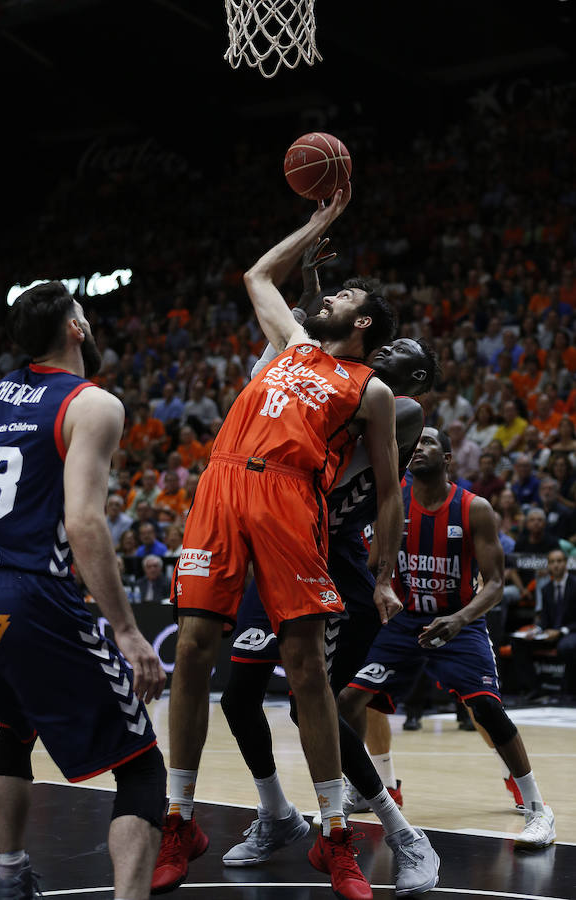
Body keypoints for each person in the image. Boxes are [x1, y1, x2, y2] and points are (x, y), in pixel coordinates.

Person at [152, 191, 438, 900]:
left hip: (289, 498)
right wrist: (318, 224)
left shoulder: (374, 392)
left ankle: (336, 836)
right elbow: (256, 277)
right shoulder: (295, 345)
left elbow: (391, 492)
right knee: (194, 653)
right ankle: (178, 820)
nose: (330, 296)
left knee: (306, 672)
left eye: (344, 294)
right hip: (220, 485)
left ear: (364, 321)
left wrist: (382, 574)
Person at [0, 282, 166, 900]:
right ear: (76, 331)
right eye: (85, 314)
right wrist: (129, 630)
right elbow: (84, 522)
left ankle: (9, 876)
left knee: (14, 727)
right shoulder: (92, 405)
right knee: (141, 766)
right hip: (33, 596)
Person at [220, 337, 438, 877]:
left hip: (332, 563)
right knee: (237, 696)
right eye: (382, 350)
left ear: (413, 381)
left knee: (308, 706)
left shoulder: (400, 408)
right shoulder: (336, 385)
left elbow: (304, 445)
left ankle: (401, 833)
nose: (383, 356)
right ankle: (276, 814)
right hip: (280, 546)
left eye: (398, 357)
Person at [337, 427, 556, 850]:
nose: (417, 448)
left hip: (459, 623)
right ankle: (366, 786)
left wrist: (459, 619)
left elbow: (493, 584)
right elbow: (370, 560)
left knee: (487, 709)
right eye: (413, 443)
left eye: (428, 443)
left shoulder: (475, 509)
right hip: (402, 622)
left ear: (449, 458)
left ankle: (537, 809)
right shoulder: (391, 502)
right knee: (348, 700)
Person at [510, 548, 576, 698]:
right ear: (548, 566)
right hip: (550, 634)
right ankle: (534, 688)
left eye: (559, 561)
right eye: (552, 562)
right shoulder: (546, 589)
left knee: (566, 646)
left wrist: (561, 631)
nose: (556, 565)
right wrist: (536, 630)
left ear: (566, 563)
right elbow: (545, 619)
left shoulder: (574, 585)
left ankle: (568, 691)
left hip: (570, 632)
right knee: (518, 642)